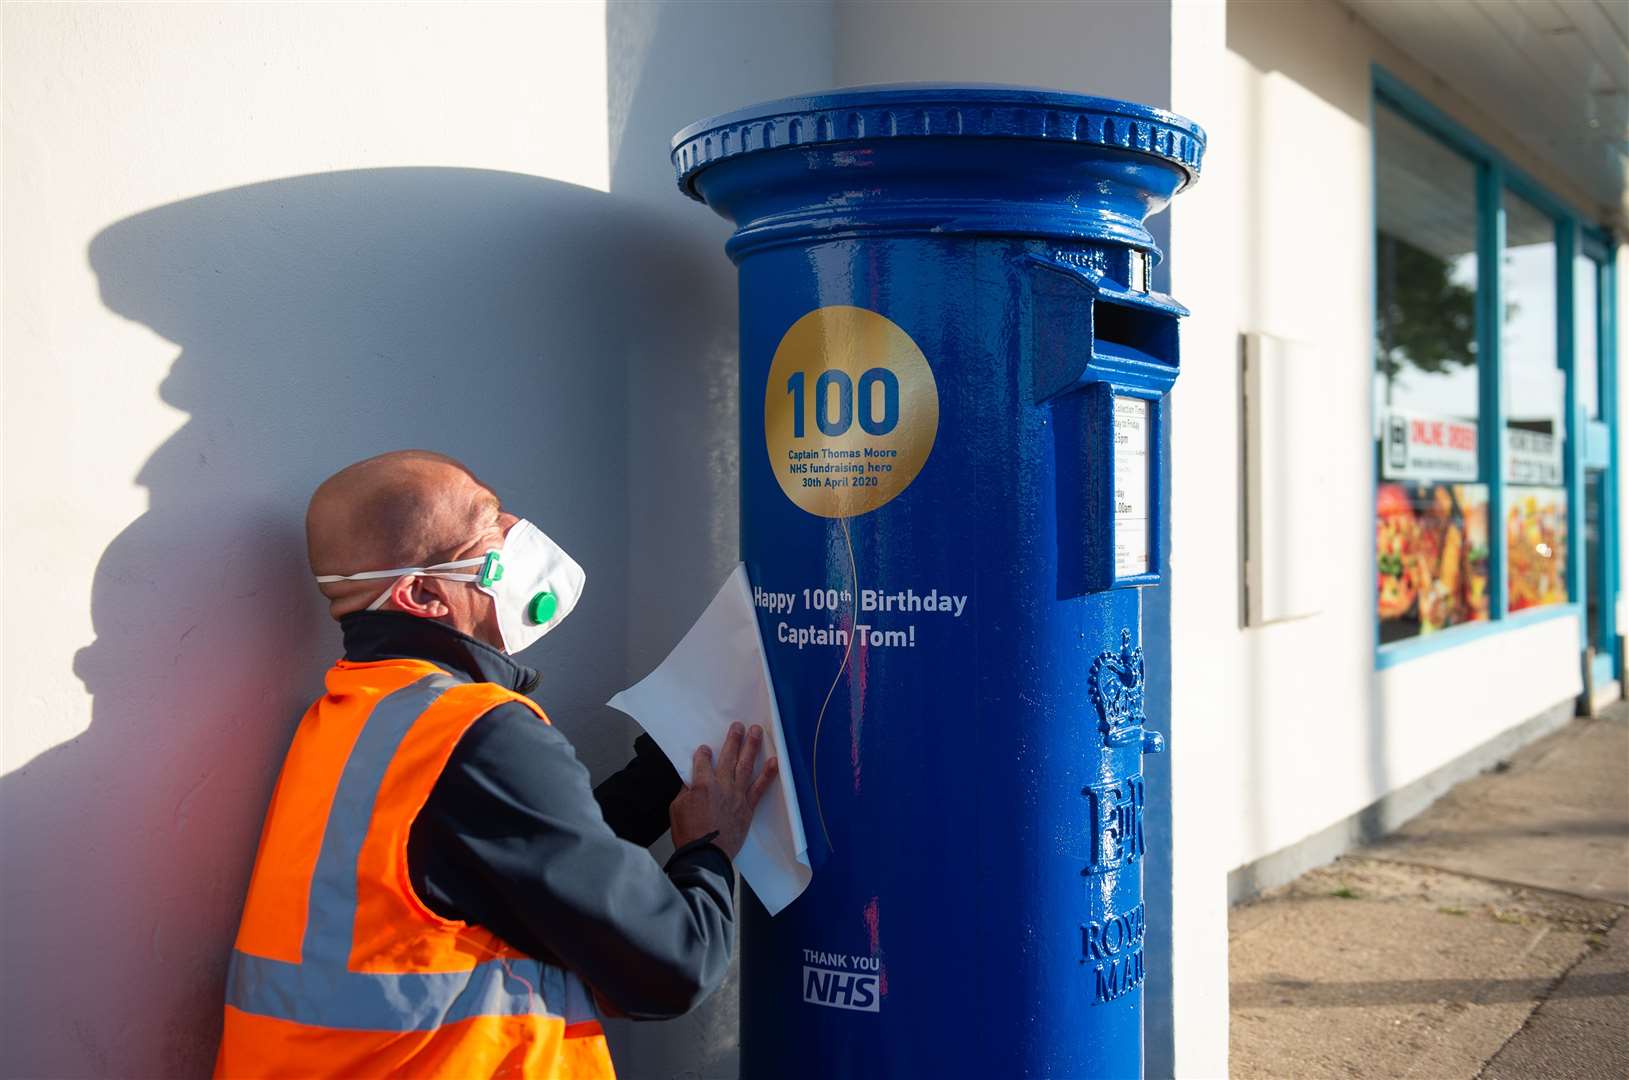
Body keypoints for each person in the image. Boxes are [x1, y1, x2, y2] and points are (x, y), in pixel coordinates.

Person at [213, 450, 777, 1079]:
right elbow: (674, 966)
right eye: (488, 525)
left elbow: (518, 866)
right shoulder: (474, 733)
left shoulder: (348, 719)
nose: (515, 531)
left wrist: (669, 762)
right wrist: (708, 847)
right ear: (423, 593)